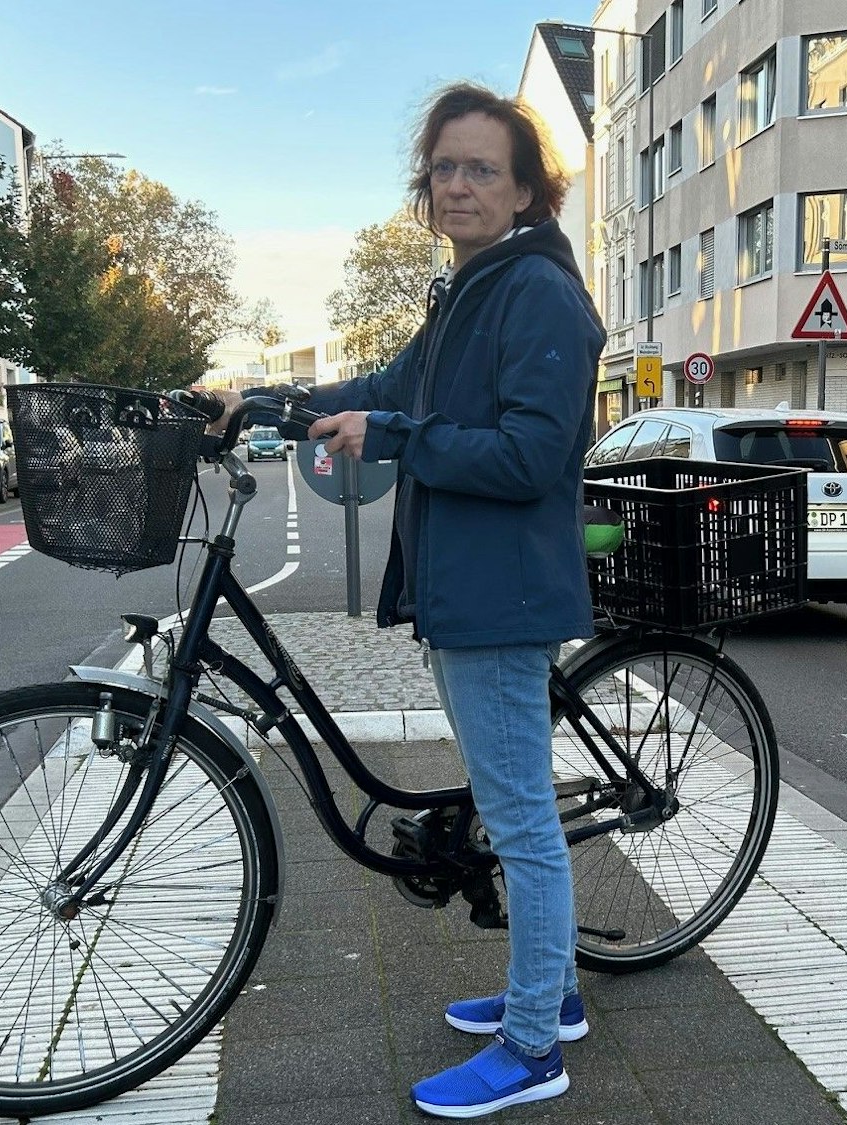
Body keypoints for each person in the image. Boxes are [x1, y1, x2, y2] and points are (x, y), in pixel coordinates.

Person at [216, 82, 602, 1118]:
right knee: (503, 800)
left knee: (520, 822)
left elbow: (527, 455)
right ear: (423, 186)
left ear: (526, 189)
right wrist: (270, 397)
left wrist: (395, 436)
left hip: (502, 595)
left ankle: (532, 1050)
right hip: (457, 587)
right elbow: (387, 384)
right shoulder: (466, 290)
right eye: (443, 167)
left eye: (482, 167)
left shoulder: (540, 295)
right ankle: (551, 993)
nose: (459, 184)